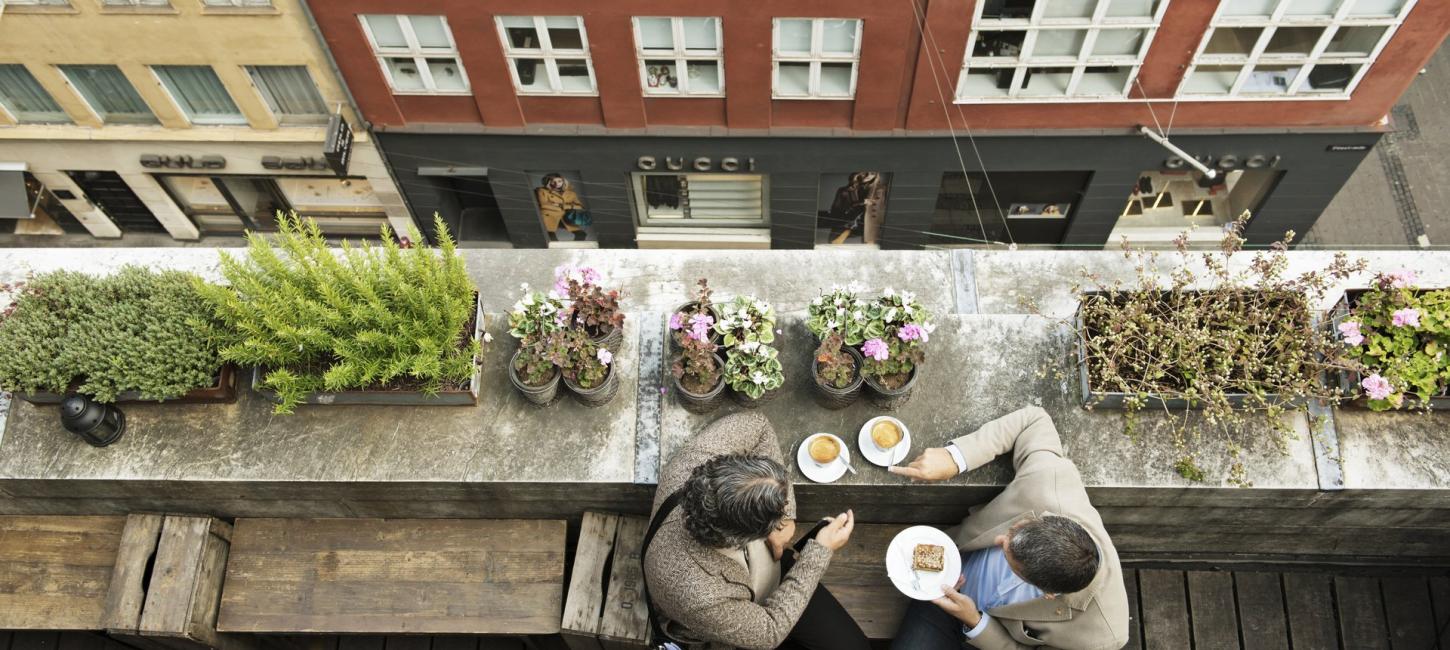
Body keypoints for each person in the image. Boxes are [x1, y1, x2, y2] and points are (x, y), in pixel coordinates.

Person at [888, 406, 1129, 650]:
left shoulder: (1103, 638)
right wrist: (955, 459)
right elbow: (1034, 420)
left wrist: (974, 620)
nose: (999, 539)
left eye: (1007, 556)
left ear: (1048, 594)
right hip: (940, 587)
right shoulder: (1050, 485)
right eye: (1015, 530)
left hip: (987, 637)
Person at [643, 412, 867, 650]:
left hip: (767, 574)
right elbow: (769, 633)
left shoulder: (698, 459)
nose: (783, 512)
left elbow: (758, 426)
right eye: (776, 517)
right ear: (742, 539)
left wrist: (786, 517)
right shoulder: (699, 595)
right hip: (737, 616)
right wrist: (819, 552)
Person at [535, 173, 586, 242]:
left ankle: (572, 249)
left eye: (559, 181)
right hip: (549, 216)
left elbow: (580, 206)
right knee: (551, 237)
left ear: (563, 181)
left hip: (565, 217)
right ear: (548, 182)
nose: (557, 183)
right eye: (553, 181)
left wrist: (562, 206)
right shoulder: (542, 191)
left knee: (581, 234)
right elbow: (543, 205)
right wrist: (561, 207)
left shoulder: (571, 193)